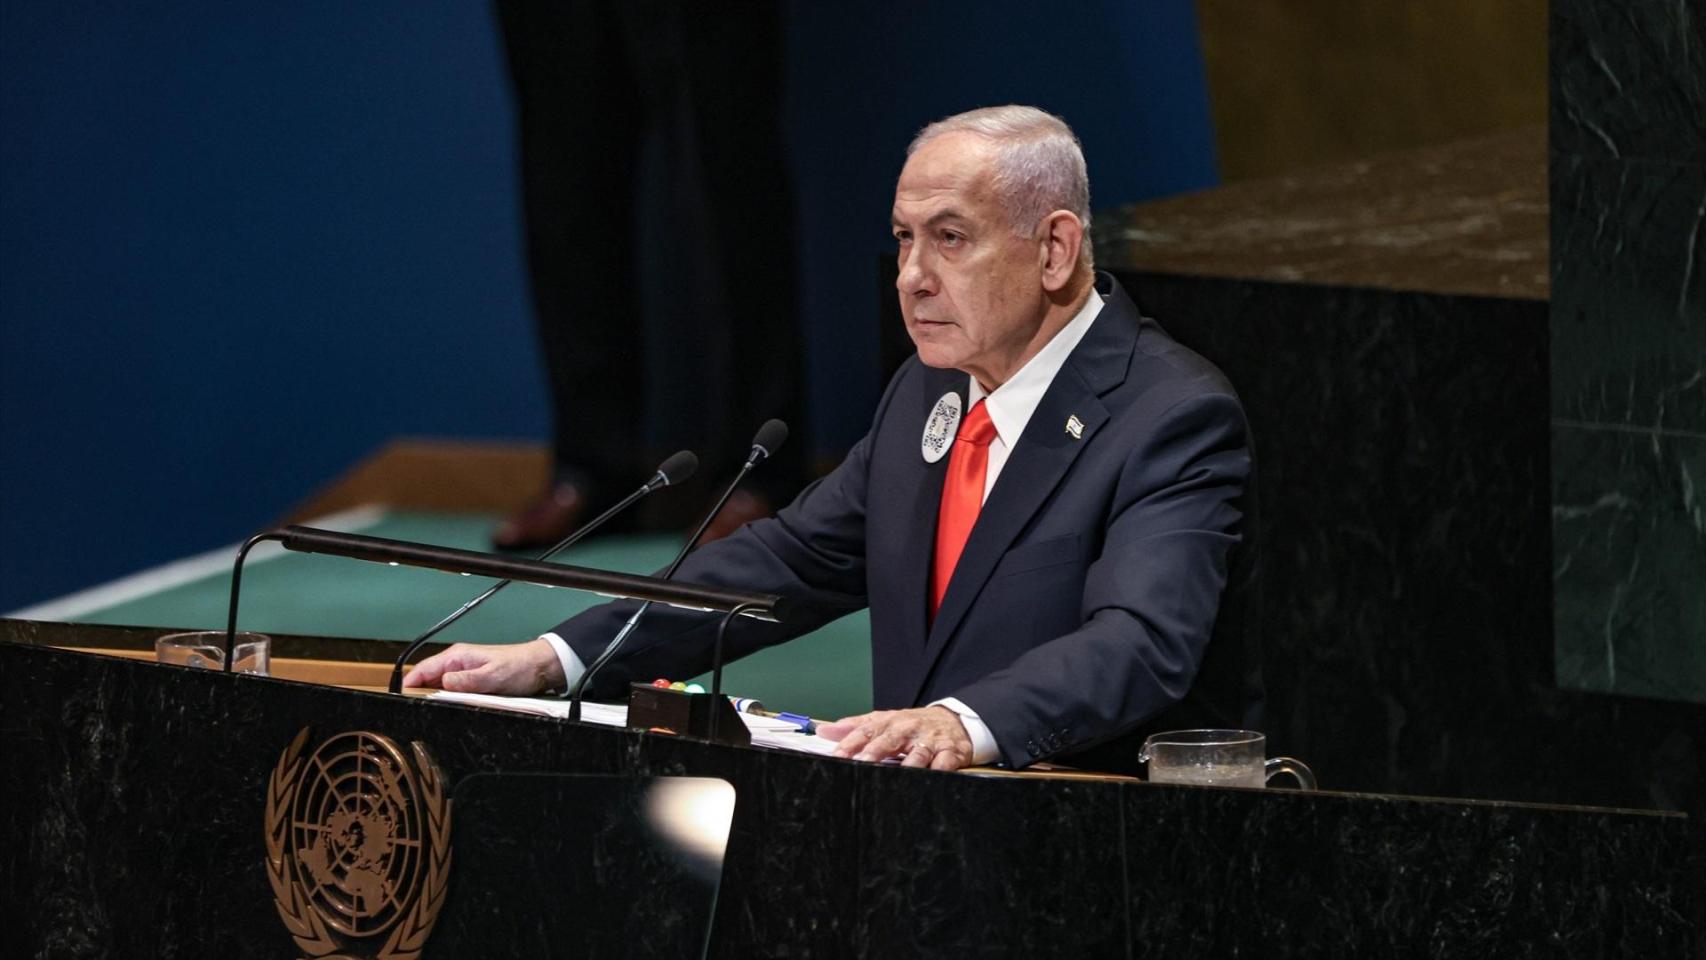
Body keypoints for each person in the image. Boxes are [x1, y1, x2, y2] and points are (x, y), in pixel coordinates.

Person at [408, 106, 1262, 774]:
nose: (911, 277)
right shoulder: (926, 389)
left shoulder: (1169, 415)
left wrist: (963, 723)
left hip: (1083, 844)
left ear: (1055, 249)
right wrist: (559, 657)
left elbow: (1140, 641)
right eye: (903, 238)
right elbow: (786, 563)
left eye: (950, 239)